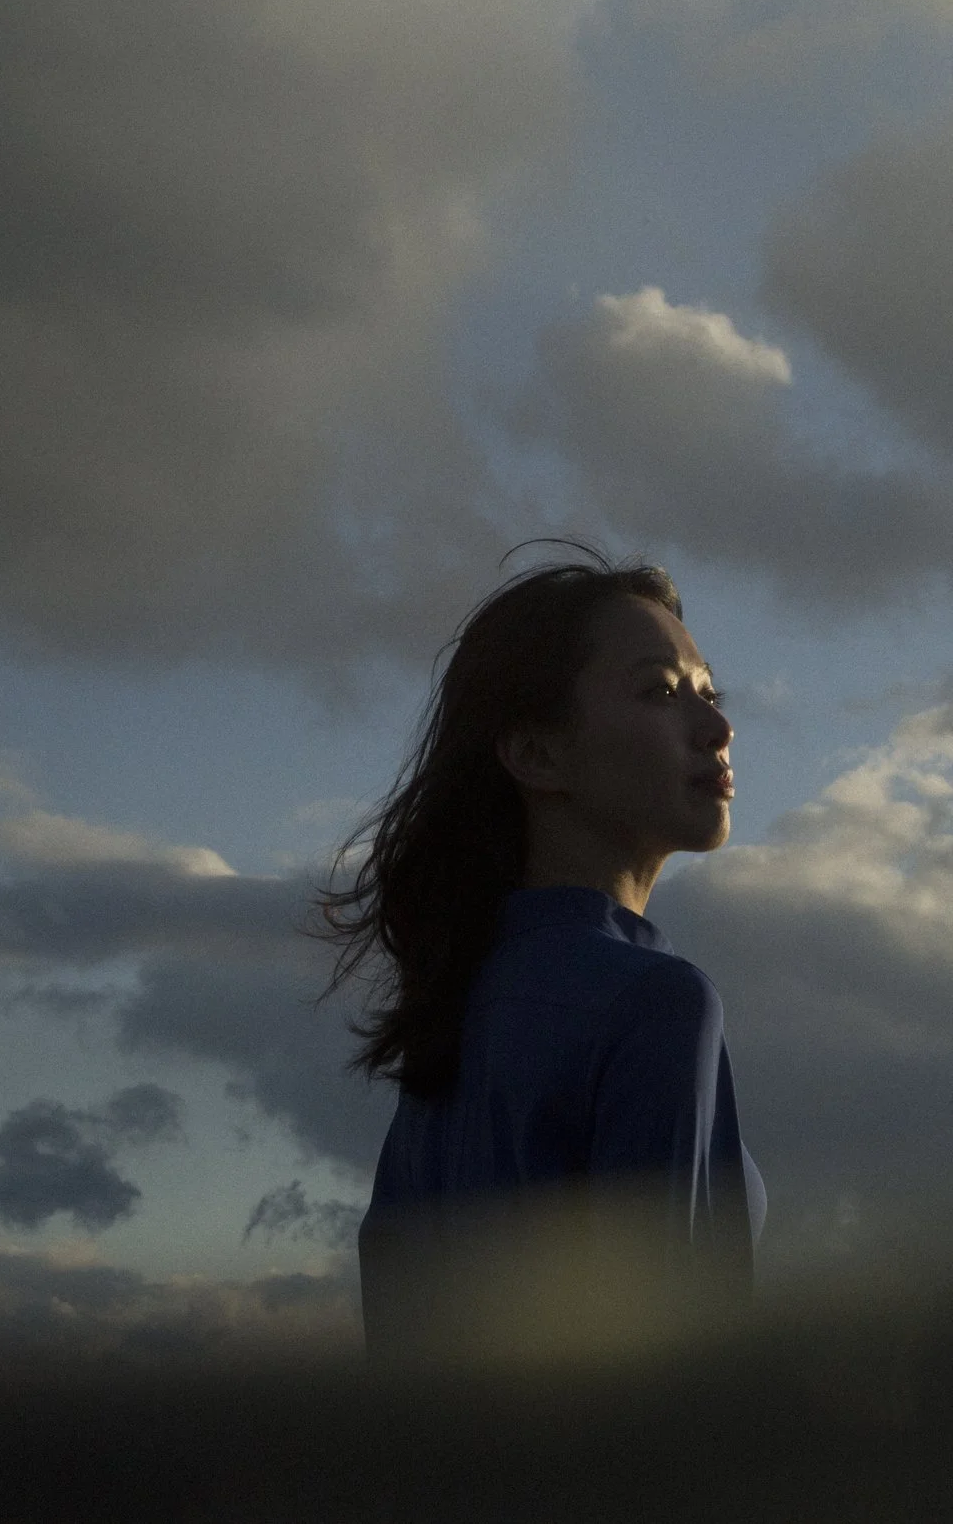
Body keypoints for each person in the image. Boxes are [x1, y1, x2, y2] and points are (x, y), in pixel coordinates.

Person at [314, 543, 765, 1361]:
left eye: (709, 692)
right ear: (536, 754)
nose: (719, 728)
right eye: (663, 692)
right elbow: (675, 1375)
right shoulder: (653, 1003)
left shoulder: (453, 1020)